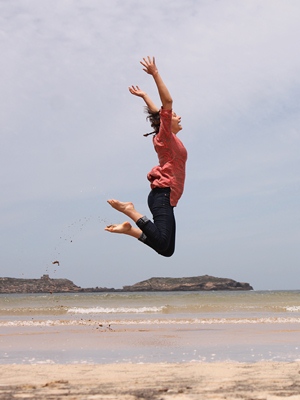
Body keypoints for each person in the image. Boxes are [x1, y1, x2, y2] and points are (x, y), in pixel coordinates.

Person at [105, 56, 187, 257]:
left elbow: (157, 113)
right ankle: (129, 210)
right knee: (161, 242)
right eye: (175, 115)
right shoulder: (165, 136)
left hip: (166, 197)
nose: (178, 116)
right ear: (167, 123)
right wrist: (155, 74)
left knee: (166, 249)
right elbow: (167, 102)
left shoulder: (166, 137)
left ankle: (131, 230)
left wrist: (144, 96)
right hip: (162, 195)